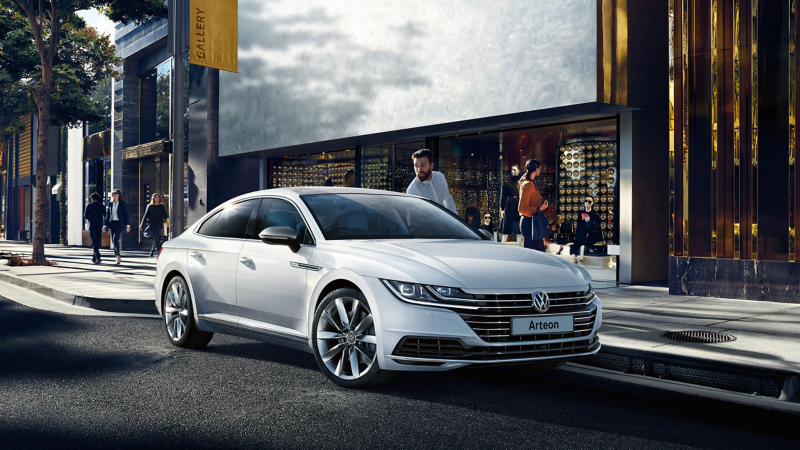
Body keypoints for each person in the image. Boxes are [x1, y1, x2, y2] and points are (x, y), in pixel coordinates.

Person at [406, 149, 456, 213]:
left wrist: (454, 220)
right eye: (416, 166)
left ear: (431, 166)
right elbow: (412, 218)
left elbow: (448, 199)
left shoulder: (440, 177)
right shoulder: (412, 190)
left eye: (423, 165)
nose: (419, 169)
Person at [518, 159, 549, 251]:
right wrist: (540, 209)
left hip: (533, 222)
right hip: (529, 223)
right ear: (537, 169)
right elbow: (522, 208)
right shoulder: (527, 185)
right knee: (531, 254)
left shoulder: (530, 184)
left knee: (539, 252)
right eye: (540, 168)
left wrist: (539, 209)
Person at [104, 189, 131, 266]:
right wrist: (105, 225)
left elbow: (126, 214)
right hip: (112, 223)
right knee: (113, 240)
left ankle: (118, 256)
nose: (114, 194)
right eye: (113, 193)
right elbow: (107, 215)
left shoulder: (122, 203)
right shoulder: (110, 204)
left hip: (119, 223)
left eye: (116, 193)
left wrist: (127, 225)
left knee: (116, 238)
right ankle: (117, 255)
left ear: (119, 195)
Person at [572, 196, 602, 263]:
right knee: (575, 252)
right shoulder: (580, 213)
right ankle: (576, 258)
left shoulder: (595, 215)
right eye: (586, 201)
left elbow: (596, 229)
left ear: (592, 203)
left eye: (589, 201)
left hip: (589, 237)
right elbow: (579, 226)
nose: (587, 203)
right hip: (580, 235)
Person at [140, 193, 169, 257]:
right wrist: (141, 225)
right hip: (152, 225)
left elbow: (165, 215)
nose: (157, 198)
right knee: (156, 237)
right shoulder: (150, 206)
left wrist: (168, 222)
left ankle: (152, 250)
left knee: (157, 238)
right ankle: (159, 252)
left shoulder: (161, 206)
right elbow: (145, 216)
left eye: (158, 197)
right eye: (156, 197)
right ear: (153, 198)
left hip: (159, 224)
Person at [500, 164, 522, 246]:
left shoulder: (521, 182)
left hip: (518, 205)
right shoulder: (507, 183)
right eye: (512, 169)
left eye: (515, 169)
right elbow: (504, 196)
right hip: (509, 205)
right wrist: (502, 208)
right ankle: (502, 243)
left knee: (518, 225)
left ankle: (519, 245)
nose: (513, 171)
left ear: (519, 171)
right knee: (506, 224)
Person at [84, 193, 106, 264]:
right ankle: (94, 257)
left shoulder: (89, 206)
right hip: (99, 225)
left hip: (92, 225)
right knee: (96, 241)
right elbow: (105, 215)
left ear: (92, 198)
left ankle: (98, 257)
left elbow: (85, 216)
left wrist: (90, 219)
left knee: (94, 241)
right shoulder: (102, 206)